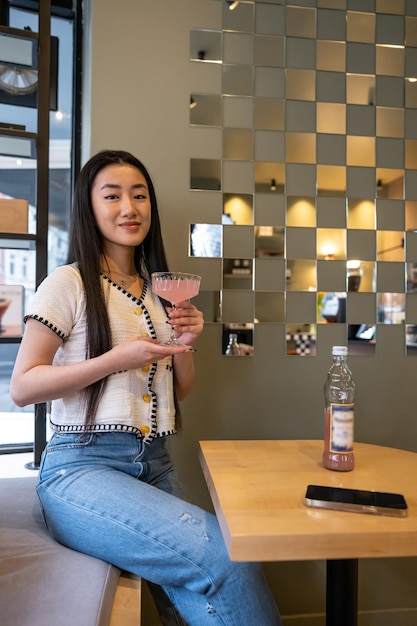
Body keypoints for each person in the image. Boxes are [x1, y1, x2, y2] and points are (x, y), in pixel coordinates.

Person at [10, 150, 282, 626]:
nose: (128, 208)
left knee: (206, 576)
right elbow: (23, 386)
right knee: (223, 558)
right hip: (82, 468)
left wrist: (186, 343)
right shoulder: (68, 283)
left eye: (139, 195)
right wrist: (116, 360)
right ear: (89, 208)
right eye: (112, 196)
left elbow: (181, 393)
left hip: (154, 461)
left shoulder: (159, 290)